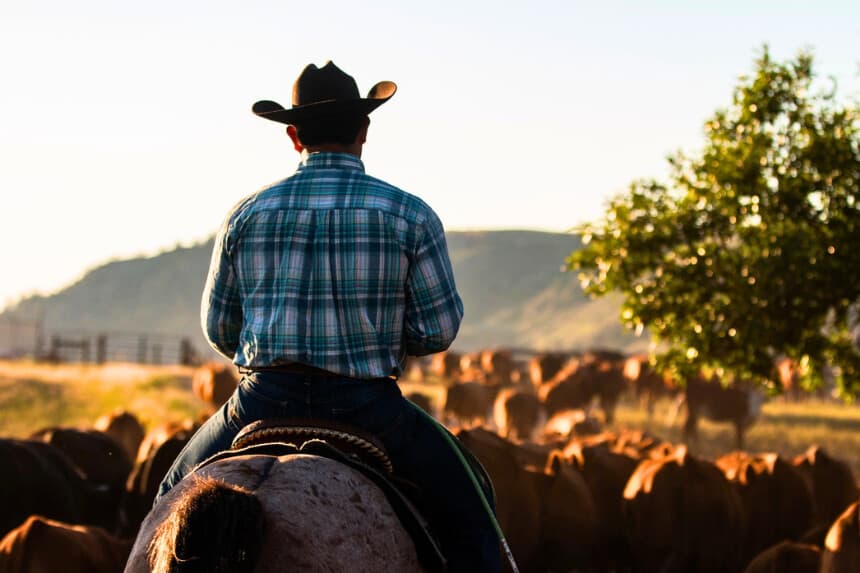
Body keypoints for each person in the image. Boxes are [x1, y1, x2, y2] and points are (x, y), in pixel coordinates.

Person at [155, 61, 501, 571]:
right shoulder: (410, 214)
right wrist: (384, 336)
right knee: (473, 510)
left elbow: (220, 328)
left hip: (261, 399)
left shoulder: (246, 215)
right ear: (364, 130)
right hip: (368, 407)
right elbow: (437, 331)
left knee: (165, 502)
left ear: (294, 136)